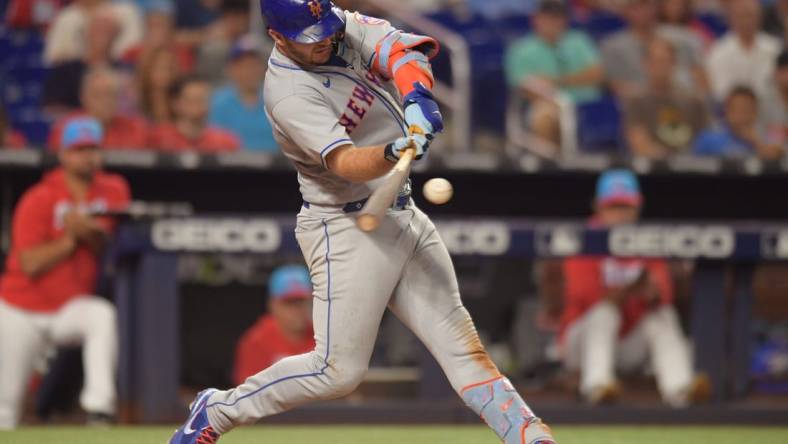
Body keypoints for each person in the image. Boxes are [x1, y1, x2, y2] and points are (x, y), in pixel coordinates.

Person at [169, 2, 556, 444]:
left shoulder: (338, 26)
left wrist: (418, 96)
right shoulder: (288, 92)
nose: (326, 41)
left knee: (460, 342)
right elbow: (347, 162)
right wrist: (394, 151)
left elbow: (402, 53)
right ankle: (217, 411)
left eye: (326, 29)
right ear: (278, 38)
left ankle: (527, 434)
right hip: (345, 226)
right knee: (337, 372)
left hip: (400, 212)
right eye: (311, 38)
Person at [0, 117, 131, 429]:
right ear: (63, 154)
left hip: (69, 306)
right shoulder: (39, 197)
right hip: (20, 308)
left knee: (102, 316)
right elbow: (29, 263)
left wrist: (89, 234)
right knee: (5, 406)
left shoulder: (112, 189)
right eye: (78, 149)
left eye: (92, 148)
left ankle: (100, 410)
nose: (87, 156)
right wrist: (71, 239)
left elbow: (106, 248)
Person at [558, 170, 708, 407]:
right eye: (613, 206)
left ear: (637, 207)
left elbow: (664, 296)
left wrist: (653, 294)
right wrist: (634, 288)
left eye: (625, 207)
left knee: (661, 315)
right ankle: (597, 388)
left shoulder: (646, 241)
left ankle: (680, 391)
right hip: (581, 345)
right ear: (598, 206)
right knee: (604, 315)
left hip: (627, 344)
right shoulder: (584, 240)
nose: (620, 214)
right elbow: (590, 300)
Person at [504, 0, 603, 148]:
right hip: (548, 104)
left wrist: (557, 81)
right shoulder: (521, 50)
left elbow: (597, 74)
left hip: (586, 101)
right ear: (536, 19)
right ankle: (552, 166)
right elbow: (525, 87)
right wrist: (565, 90)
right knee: (544, 116)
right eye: (548, 17)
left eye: (558, 17)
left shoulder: (578, 41)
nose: (554, 23)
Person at [624, 38, 709, 158]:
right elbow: (639, 144)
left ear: (674, 63)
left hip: (691, 166)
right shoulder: (636, 101)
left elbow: (707, 141)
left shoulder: (693, 100)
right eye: (656, 62)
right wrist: (670, 162)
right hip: (653, 168)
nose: (660, 68)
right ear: (645, 64)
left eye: (665, 61)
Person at [601, 0, 700, 99]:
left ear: (656, 7)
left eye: (647, 5)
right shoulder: (612, 47)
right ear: (625, 11)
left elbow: (698, 74)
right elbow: (615, 85)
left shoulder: (683, 38)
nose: (643, 11)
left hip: (683, 100)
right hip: (638, 104)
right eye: (636, 7)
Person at [233, 265, 315, 385]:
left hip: (320, 404)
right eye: (289, 303)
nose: (297, 310)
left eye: (301, 302)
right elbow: (248, 394)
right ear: (273, 305)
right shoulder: (257, 340)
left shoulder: (322, 335)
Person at [48, 68, 150, 150]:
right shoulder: (66, 129)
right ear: (84, 98)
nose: (105, 102)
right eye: (98, 95)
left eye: (110, 94)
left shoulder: (134, 129)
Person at [209, 35, 278, 151]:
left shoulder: (276, 100)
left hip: (276, 167)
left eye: (254, 65)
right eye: (243, 66)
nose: (250, 71)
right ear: (231, 69)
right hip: (229, 166)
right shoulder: (217, 102)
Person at [706, 0, 782, 104]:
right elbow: (720, 91)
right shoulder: (718, 52)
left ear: (759, 17)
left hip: (769, 110)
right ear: (731, 18)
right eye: (741, 16)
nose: (746, 21)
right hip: (733, 111)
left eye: (750, 15)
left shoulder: (775, 48)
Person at [150, 75, 240, 152]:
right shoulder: (158, 138)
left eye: (203, 100)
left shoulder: (226, 142)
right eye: (192, 100)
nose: (199, 106)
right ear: (176, 104)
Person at [693, 86, 784, 159]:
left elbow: (777, 155)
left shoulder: (766, 135)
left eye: (746, 110)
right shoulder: (709, 137)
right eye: (736, 109)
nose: (741, 116)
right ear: (726, 111)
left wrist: (755, 141)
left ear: (755, 113)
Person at [43, 0, 142, 66]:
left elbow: (133, 55)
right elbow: (53, 60)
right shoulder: (65, 18)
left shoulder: (126, 12)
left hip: (118, 77)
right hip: (73, 80)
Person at [136, 46, 182, 124]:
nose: (165, 73)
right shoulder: (136, 101)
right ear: (148, 70)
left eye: (169, 68)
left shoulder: (181, 103)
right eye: (160, 67)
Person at [764, 50, 788, 150]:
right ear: (776, 73)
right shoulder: (764, 101)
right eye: (784, 71)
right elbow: (761, 133)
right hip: (771, 157)